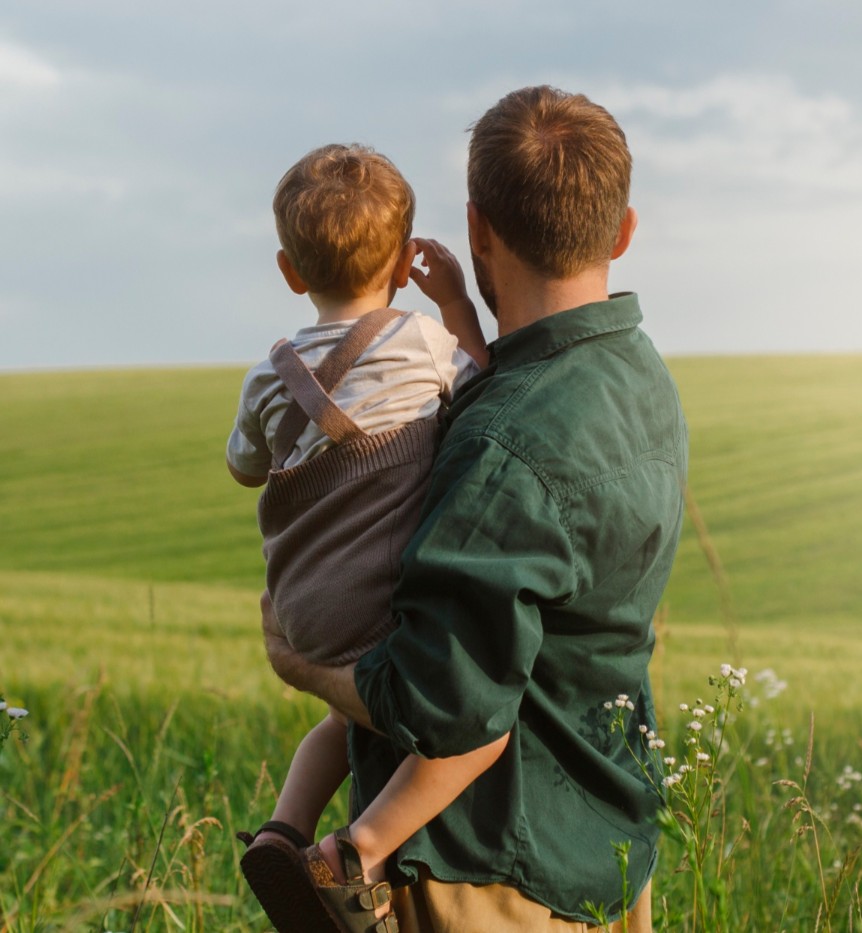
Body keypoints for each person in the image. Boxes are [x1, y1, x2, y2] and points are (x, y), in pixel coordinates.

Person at [264, 86, 688, 932]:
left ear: (477, 231)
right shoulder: (641, 378)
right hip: (604, 840)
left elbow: (442, 707)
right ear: (623, 232)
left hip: (489, 869)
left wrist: (302, 663)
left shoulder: (501, 444)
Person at [227, 143, 507, 933]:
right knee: (476, 730)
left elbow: (244, 469)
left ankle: (282, 832)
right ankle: (356, 851)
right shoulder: (419, 341)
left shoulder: (268, 374)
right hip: (380, 604)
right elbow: (484, 380)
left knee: (341, 720)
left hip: (302, 610)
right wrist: (456, 301)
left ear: (289, 271)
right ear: (401, 261)